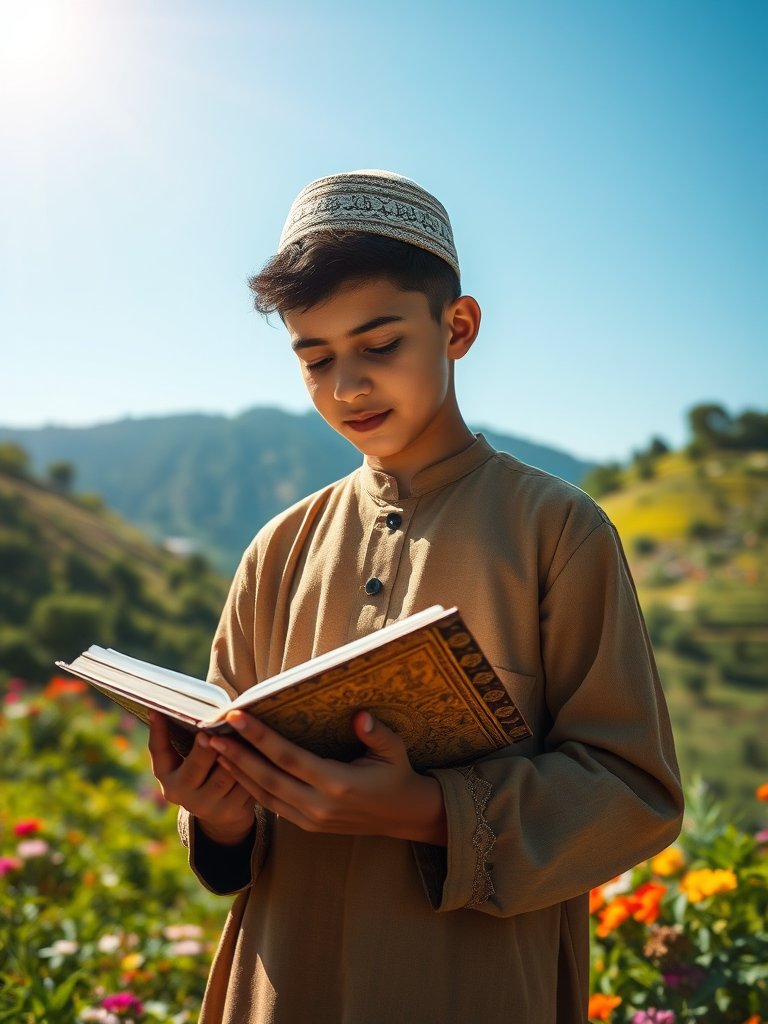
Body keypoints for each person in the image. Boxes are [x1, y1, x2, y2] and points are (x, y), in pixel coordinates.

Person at [148, 170, 683, 1024]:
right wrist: (215, 815)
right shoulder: (278, 551)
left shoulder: (557, 530)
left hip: (471, 986)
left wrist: (434, 812)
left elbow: (633, 793)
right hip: (283, 977)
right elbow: (228, 808)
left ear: (457, 326)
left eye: (380, 344)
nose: (347, 387)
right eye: (315, 358)